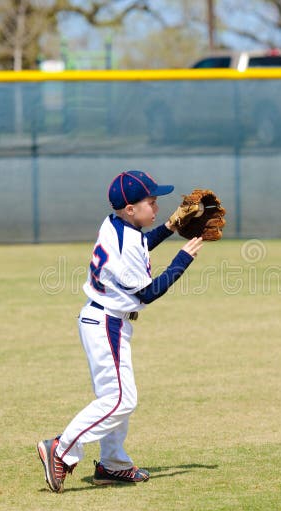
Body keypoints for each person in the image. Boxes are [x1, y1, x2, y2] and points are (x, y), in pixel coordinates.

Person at [37, 170, 204, 493]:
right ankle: (61, 448)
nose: (156, 207)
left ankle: (112, 464)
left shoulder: (116, 225)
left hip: (106, 320)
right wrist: (183, 259)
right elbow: (149, 293)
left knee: (115, 397)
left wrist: (169, 227)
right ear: (131, 209)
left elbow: (141, 243)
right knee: (121, 400)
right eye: (151, 202)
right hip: (106, 323)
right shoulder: (124, 242)